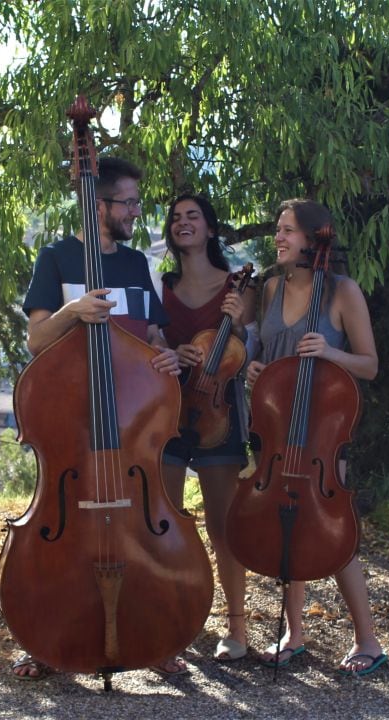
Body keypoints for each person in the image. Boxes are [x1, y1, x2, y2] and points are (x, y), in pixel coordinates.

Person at [10, 157, 184, 680]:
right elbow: (37, 340)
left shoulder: (134, 265)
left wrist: (167, 355)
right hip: (74, 428)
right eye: (128, 202)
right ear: (99, 205)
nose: (136, 211)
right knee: (59, 537)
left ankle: (159, 637)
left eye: (136, 202)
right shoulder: (58, 258)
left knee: (147, 528)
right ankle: (46, 642)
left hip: (131, 425)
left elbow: (152, 337)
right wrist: (72, 312)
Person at [244, 198, 388, 678]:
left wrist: (330, 351)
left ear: (314, 239)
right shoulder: (269, 290)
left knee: (336, 535)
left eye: (287, 231)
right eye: (279, 230)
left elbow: (368, 364)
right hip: (276, 430)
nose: (279, 238)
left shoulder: (343, 292)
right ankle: (294, 633)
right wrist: (254, 371)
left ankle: (368, 640)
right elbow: (264, 353)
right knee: (288, 525)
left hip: (323, 431)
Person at [157, 194, 256, 663]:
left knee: (222, 524)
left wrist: (240, 324)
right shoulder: (163, 285)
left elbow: (251, 357)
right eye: (176, 218)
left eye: (193, 216)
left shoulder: (237, 289)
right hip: (170, 409)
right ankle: (169, 621)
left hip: (221, 413)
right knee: (166, 522)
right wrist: (176, 353)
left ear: (211, 229)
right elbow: (153, 342)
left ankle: (236, 628)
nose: (183, 223)